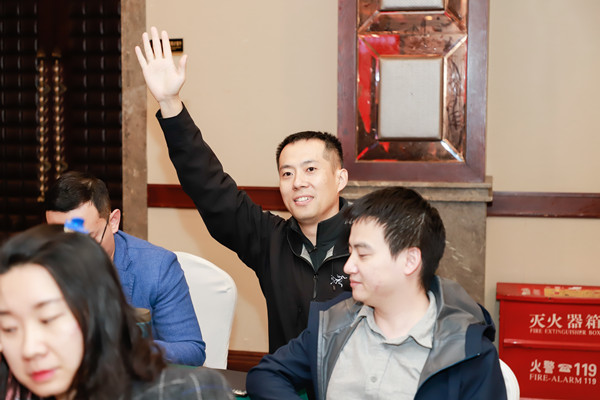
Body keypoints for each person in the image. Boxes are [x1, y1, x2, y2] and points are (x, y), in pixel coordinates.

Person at [135, 27, 351, 353]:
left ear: (340, 178)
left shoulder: (370, 241)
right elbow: (211, 188)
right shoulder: (271, 240)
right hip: (284, 379)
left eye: (311, 169)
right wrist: (169, 102)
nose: (298, 182)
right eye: (287, 173)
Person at [246, 187, 508, 400]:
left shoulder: (468, 352)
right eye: (350, 252)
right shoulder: (333, 324)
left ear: (410, 261)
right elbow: (267, 375)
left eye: (363, 254)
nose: (348, 266)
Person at [0, 224, 233, 400]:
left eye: (48, 319)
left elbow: (191, 348)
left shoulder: (187, 392)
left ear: (97, 312)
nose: (29, 349)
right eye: (9, 328)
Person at [44, 171, 205, 366]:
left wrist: (130, 348)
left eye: (87, 238)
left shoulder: (157, 267)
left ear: (113, 222)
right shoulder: (40, 267)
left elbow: (192, 350)